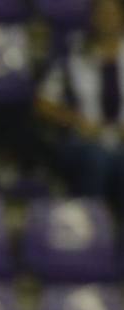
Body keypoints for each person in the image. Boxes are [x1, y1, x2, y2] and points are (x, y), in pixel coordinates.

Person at [35, 0, 124, 215]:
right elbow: (43, 102)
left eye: (112, 13)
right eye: (101, 13)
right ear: (92, 18)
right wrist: (77, 121)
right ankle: (91, 225)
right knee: (97, 159)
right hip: (84, 139)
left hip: (120, 139)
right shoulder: (75, 53)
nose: (107, 19)